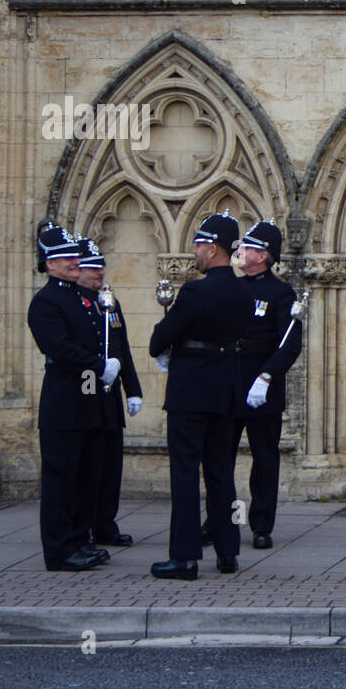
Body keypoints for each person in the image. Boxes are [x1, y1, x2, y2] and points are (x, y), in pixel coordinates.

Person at [149, 211, 253, 580]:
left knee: (185, 473)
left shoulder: (195, 290)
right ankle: (228, 552)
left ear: (212, 248)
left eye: (198, 244)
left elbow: (159, 340)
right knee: (222, 472)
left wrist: (166, 336)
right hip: (225, 389)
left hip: (191, 389)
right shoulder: (244, 291)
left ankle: (184, 557)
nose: (194, 251)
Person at [26, 222, 117, 572]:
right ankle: (59, 550)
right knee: (61, 480)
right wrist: (97, 364)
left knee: (86, 476)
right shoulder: (46, 302)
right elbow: (60, 349)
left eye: (74, 257)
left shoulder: (83, 298)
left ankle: (81, 539)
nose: (74, 262)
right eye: (65, 259)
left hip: (88, 400)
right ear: (49, 264)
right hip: (64, 403)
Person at [214, 218, 301, 550]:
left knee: (264, 460)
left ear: (264, 256)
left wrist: (266, 377)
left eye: (249, 248)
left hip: (261, 387)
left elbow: (289, 344)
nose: (242, 251)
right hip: (229, 382)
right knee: (221, 458)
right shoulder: (231, 287)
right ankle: (222, 521)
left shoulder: (280, 292)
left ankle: (261, 525)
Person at [75, 237, 142, 548]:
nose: (98, 272)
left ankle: (105, 523)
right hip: (85, 390)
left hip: (109, 394)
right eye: (91, 267)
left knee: (111, 463)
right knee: (88, 465)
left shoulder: (108, 303)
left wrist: (133, 390)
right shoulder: (74, 303)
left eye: (100, 265)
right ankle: (84, 524)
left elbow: (121, 347)